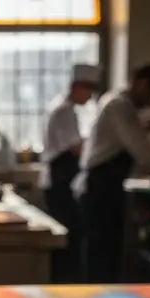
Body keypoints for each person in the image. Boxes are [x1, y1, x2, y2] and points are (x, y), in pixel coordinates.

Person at [74, 64, 150, 283]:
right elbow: (141, 149)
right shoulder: (119, 106)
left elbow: (132, 151)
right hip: (99, 188)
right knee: (101, 254)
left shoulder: (118, 104)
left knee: (103, 252)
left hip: (105, 187)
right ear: (142, 84)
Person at [42, 63, 101, 283]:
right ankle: (66, 284)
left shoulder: (63, 108)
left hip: (60, 182)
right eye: (89, 89)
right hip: (59, 183)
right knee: (69, 238)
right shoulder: (64, 111)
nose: (90, 95)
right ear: (76, 86)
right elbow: (76, 148)